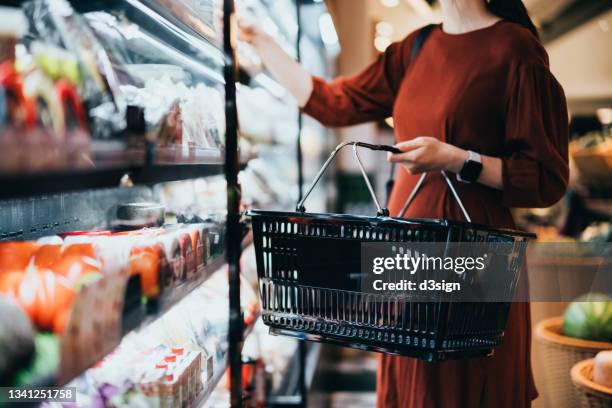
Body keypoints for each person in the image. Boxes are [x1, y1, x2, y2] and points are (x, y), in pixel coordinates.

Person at [239, 0, 569, 406]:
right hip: (405, 251)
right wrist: (262, 41)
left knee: (458, 388)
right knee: (413, 387)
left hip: (472, 257)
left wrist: (458, 159)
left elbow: (546, 178)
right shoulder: (415, 47)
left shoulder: (515, 49)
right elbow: (332, 103)